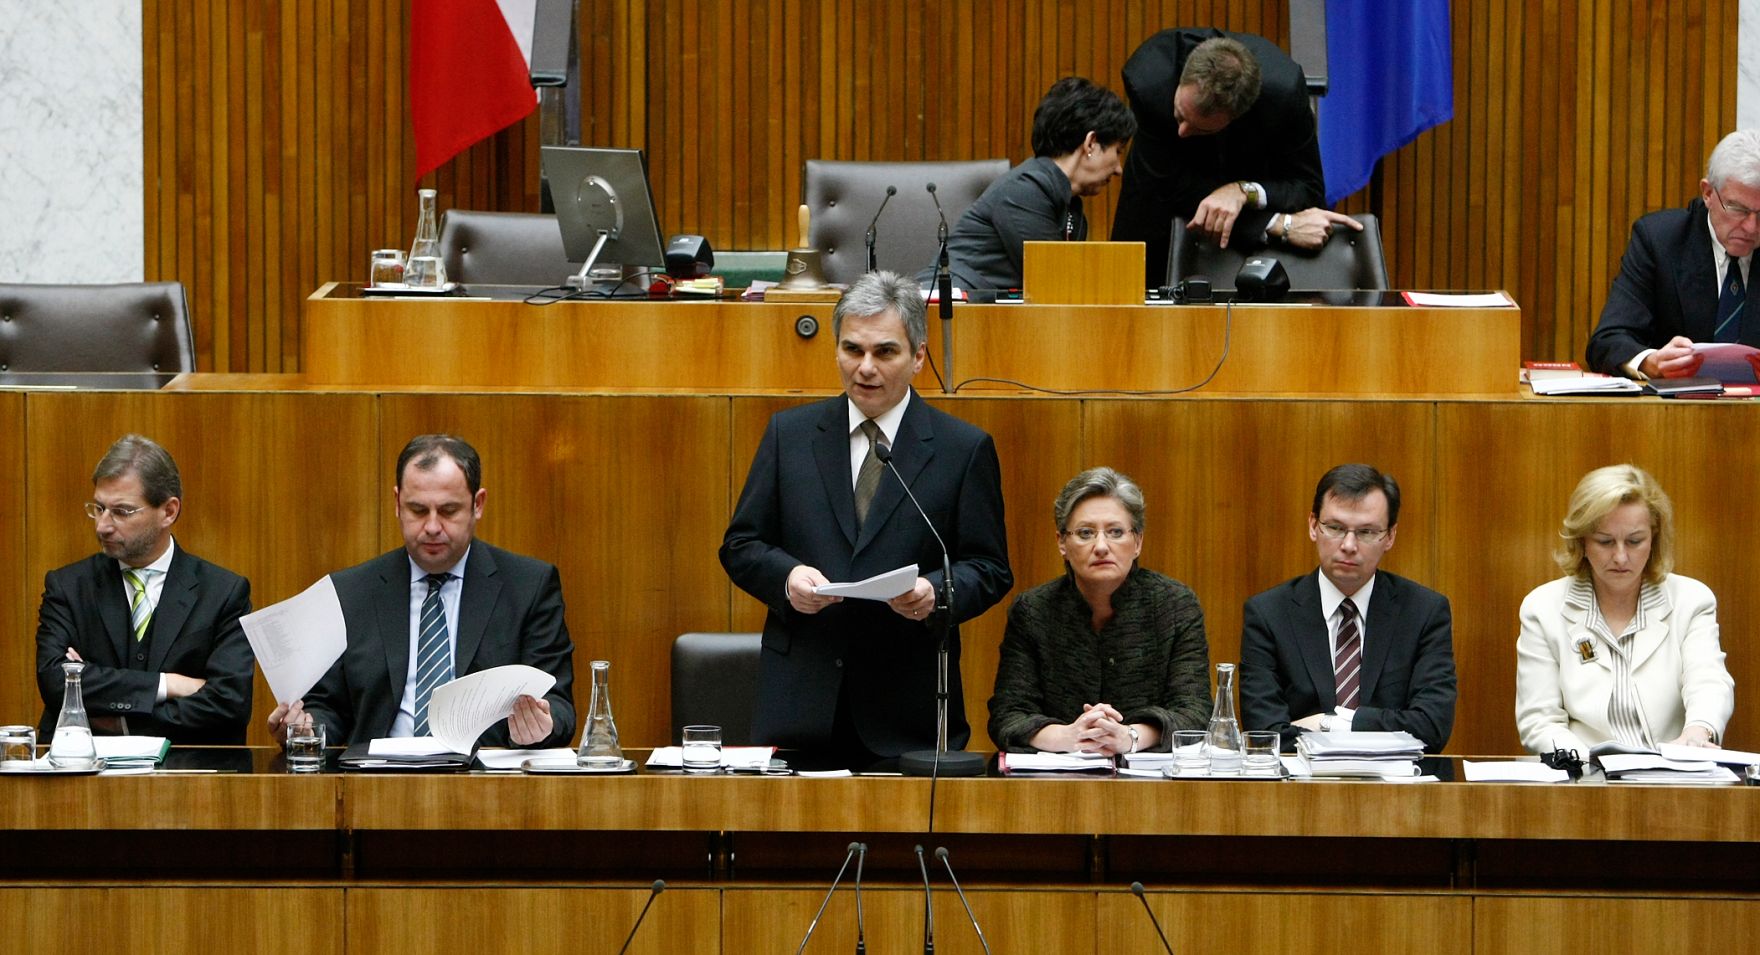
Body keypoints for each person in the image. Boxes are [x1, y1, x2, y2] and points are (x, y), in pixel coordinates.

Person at [720, 271, 1013, 763]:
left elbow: (988, 567)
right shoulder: (789, 436)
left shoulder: (962, 449)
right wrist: (787, 577)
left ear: (919, 356)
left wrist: (934, 593)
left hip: (906, 710)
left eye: (885, 352)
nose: (866, 368)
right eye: (852, 350)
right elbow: (742, 544)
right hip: (800, 705)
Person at [270, 435, 575, 748]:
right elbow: (328, 708)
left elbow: (560, 704)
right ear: (397, 503)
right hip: (377, 779)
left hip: (487, 780)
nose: (431, 526)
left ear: (477, 505)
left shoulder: (528, 586)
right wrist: (306, 730)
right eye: (417, 510)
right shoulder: (350, 593)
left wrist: (542, 723)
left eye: (448, 511)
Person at [34, 435, 254, 744]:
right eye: (98, 508)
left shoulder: (223, 592)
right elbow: (57, 682)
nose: (102, 526)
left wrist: (119, 720)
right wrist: (168, 685)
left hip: (189, 775)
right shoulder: (68, 586)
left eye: (121, 511)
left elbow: (229, 704)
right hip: (85, 774)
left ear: (168, 512)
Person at [987, 467, 1209, 755]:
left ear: (1137, 541)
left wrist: (1128, 736)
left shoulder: (1175, 605)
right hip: (1053, 784)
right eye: (1085, 533)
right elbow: (1008, 715)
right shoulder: (1033, 611)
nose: (1101, 546)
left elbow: (1195, 711)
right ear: (1062, 543)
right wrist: (1069, 736)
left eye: (1115, 532)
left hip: (1152, 785)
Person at [1515, 465, 1733, 754]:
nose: (1620, 556)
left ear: (1654, 537)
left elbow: (1708, 681)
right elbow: (1539, 720)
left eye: (1634, 541)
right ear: (1581, 541)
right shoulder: (1543, 608)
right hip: (1582, 780)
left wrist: (1698, 731)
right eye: (1605, 541)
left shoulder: (1691, 601)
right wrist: (1587, 764)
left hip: (1672, 777)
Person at [1240, 464, 1457, 753]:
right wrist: (1381, 727)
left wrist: (1332, 723)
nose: (1349, 545)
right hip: (1297, 790)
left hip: (1395, 790)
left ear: (1390, 536)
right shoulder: (1268, 614)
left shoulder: (1423, 612)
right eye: (1335, 528)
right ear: (1313, 525)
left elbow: (1431, 728)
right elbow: (1264, 735)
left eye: (1367, 532)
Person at [1110, 28, 1349, 286]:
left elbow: (1309, 191)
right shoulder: (1149, 82)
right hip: (1155, 221)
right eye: (1179, 115)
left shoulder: (1282, 93)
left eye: (1200, 129)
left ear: (1235, 116)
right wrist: (1275, 222)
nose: (1182, 132)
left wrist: (1243, 191)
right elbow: (1165, 186)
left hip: (1254, 259)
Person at [923, 76, 1137, 293]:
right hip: (944, 312)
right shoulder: (1025, 190)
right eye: (1117, 151)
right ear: (1091, 143)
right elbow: (1054, 282)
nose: (1119, 169)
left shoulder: (1069, 208)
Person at [1587, 129, 1760, 377]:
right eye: (1738, 209)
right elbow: (1608, 340)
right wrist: (1651, 362)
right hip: (1675, 410)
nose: (1751, 227)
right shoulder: (1660, 241)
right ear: (1708, 193)